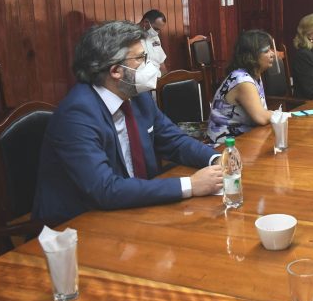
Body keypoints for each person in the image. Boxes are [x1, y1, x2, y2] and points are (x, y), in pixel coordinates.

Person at [32, 21, 223, 226]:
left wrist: (216, 160)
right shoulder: (77, 114)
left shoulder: (137, 97)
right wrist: (191, 185)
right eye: (142, 57)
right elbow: (104, 189)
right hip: (79, 224)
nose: (153, 65)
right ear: (116, 70)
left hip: (134, 209)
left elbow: (174, 140)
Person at [207, 29, 276, 142]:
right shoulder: (243, 81)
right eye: (267, 51)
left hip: (247, 138)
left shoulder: (254, 74)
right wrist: (283, 115)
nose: (272, 53)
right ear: (252, 56)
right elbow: (261, 118)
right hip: (226, 146)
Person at [139, 9, 168, 75]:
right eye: (156, 29)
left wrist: (167, 81)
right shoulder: (130, 38)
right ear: (146, 22)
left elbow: (161, 63)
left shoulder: (155, 38)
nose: (157, 33)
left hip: (159, 79)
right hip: (143, 82)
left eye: (159, 30)